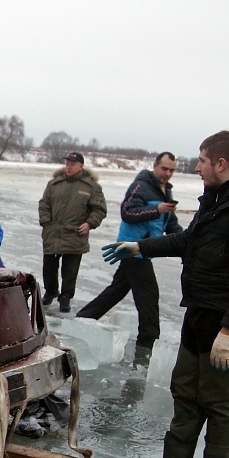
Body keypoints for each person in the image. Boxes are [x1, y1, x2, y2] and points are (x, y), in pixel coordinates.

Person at [104, 131, 229, 458]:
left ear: (220, 163)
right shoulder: (217, 198)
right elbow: (189, 241)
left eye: (201, 161)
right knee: (184, 390)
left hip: (226, 319)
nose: (196, 168)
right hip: (198, 312)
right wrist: (140, 247)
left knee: (218, 402)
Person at [77, 152, 182, 366]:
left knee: (116, 290)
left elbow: (170, 224)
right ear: (155, 166)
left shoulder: (166, 191)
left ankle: (82, 319)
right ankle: (147, 348)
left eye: (171, 170)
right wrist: (156, 209)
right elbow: (127, 213)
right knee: (149, 297)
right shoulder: (141, 186)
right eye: (164, 169)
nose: (167, 173)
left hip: (145, 250)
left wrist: (186, 245)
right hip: (132, 249)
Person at [38, 152, 107, 312]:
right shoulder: (54, 183)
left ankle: (65, 297)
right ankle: (51, 292)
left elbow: (99, 210)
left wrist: (89, 224)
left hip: (75, 234)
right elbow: (44, 203)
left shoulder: (91, 187)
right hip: (53, 232)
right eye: (67, 163)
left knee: (70, 271)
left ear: (81, 166)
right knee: (49, 267)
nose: (68, 167)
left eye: (72, 164)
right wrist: (45, 220)